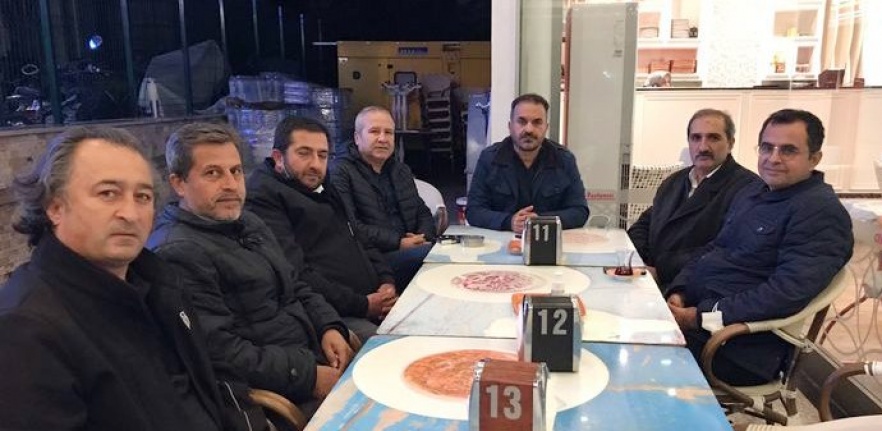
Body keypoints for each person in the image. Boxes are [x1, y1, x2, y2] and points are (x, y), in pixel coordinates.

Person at [0, 126, 264, 430]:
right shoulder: (25, 329)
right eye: (108, 194)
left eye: (142, 196)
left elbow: (214, 374)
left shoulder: (158, 280)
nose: (130, 213)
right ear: (55, 206)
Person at [146, 123, 353, 415]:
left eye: (236, 171)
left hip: (312, 353)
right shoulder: (177, 253)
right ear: (179, 183)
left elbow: (295, 284)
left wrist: (329, 326)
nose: (231, 184)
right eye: (213, 173)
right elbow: (220, 353)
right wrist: (309, 376)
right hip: (281, 392)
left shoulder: (248, 222)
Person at [665, 109, 853, 386]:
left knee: (635, 357)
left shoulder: (820, 212)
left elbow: (783, 294)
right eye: (767, 147)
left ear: (814, 158)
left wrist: (699, 317)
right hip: (701, 323)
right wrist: (679, 290)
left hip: (737, 347)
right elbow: (713, 249)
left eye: (788, 150)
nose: (773, 158)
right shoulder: (755, 193)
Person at [246, 116, 398, 340]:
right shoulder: (264, 197)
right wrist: (364, 305)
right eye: (304, 153)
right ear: (278, 158)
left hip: (370, 295)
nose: (315, 164)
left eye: (322, 155)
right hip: (334, 312)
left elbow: (358, 237)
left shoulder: (322, 185)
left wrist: (387, 281)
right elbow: (296, 274)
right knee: (391, 347)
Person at [628, 109, 759, 287]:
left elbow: (727, 250)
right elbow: (645, 224)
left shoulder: (748, 189)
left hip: (691, 289)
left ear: (730, 143)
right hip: (649, 278)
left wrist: (661, 270)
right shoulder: (674, 181)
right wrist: (641, 261)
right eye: (696, 138)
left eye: (713, 138)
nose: (703, 147)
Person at [330, 106, 435, 288]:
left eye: (388, 132)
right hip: (371, 259)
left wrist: (423, 237)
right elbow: (349, 226)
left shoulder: (400, 170)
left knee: (450, 250)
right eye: (374, 131)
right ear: (357, 138)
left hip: (412, 247)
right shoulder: (340, 172)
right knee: (436, 256)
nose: (382, 139)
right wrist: (398, 243)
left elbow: (422, 211)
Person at [467, 93, 589, 232]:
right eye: (522, 121)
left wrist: (541, 221)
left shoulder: (564, 160)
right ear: (510, 126)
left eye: (537, 122)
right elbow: (473, 211)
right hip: (502, 240)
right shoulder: (489, 159)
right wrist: (509, 221)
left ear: (546, 127)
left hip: (548, 239)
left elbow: (580, 211)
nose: (529, 129)